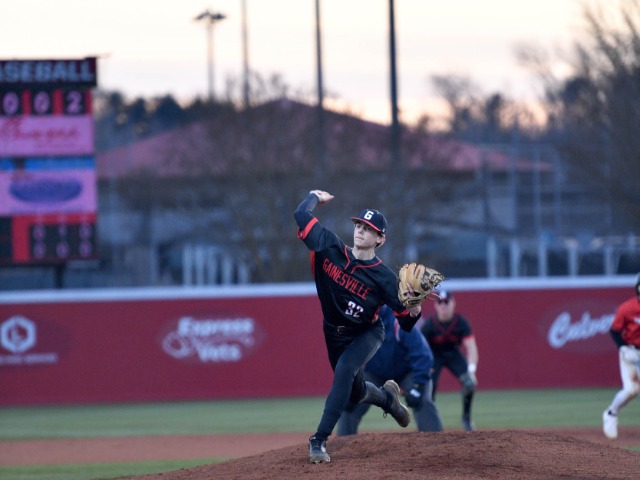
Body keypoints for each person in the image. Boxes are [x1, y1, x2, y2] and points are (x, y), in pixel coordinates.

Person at [294, 189, 424, 464]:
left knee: (345, 369)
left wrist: (415, 309)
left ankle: (318, 440)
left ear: (380, 239)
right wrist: (314, 196)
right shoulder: (329, 246)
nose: (361, 231)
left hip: (367, 333)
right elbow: (301, 214)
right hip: (333, 332)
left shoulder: (385, 278)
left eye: (368, 229)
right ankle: (388, 400)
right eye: (358, 226)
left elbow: (406, 323)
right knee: (355, 393)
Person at [337, 305, 443, 435]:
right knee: (349, 402)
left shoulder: (398, 322)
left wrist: (418, 386)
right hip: (375, 373)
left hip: (408, 372)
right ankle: (344, 443)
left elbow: (423, 354)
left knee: (423, 400)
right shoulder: (358, 324)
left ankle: (436, 442)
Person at [419, 290, 479, 431]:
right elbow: (420, 349)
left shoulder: (461, 323)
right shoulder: (430, 325)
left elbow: (471, 347)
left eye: (446, 302)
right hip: (434, 356)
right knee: (429, 386)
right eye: (440, 302)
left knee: (470, 383)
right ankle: (429, 422)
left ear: (453, 303)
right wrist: (423, 369)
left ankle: (466, 419)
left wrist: (471, 370)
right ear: (435, 305)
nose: (443, 305)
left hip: (453, 354)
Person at [602, 273, 640, 440]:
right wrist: (622, 347)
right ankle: (611, 413)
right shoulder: (627, 308)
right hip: (631, 352)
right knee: (632, 390)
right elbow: (614, 330)